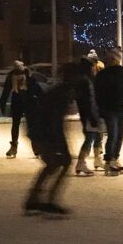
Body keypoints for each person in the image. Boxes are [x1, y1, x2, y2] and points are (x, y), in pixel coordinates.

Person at [24, 66, 78, 216]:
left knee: (52, 164)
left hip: (39, 132)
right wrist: (61, 145)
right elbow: (54, 122)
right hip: (43, 133)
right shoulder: (62, 93)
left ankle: (34, 199)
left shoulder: (59, 91)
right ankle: (49, 201)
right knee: (62, 163)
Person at [94, 48, 123, 174]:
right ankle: (109, 159)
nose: (112, 61)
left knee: (119, 136)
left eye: (114, 59)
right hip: (109, 109)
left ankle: (115, 157)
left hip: (121, 109)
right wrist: (99, 107)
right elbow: (98, 92)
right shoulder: (103, 75)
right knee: (113, 135)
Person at [0, 60, 41, 158]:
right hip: (17, 104)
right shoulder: (11, 79)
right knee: (16, 125)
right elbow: (5, 92)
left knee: (31, 125)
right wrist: (2, 105)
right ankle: (14, 146)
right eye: (16, 75)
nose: (18, 78)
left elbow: (39, 92)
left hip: (30, 104)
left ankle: (35, 146)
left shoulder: (30, 80)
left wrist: (42, 104)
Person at [74, 55, 102, 176]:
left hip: (90, 112)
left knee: (96, 135)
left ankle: (96, 159)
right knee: (90, 136)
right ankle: (81, 162)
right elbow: (86, 100)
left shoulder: (86, 80)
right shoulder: (85, 81)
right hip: (89, 113)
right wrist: (91, 115)